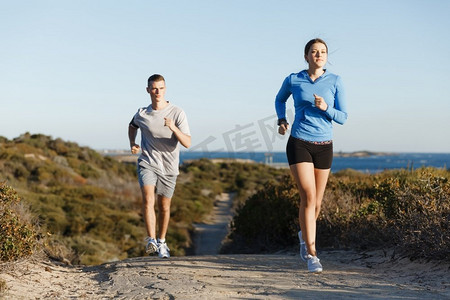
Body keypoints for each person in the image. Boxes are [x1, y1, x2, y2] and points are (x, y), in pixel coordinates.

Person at [275, 38, 348, 272]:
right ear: (306, 56)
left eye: (323, 52)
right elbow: (279, 99)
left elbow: (343, 117)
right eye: (314, 52)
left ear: (326, 56)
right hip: (300, 142)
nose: (319, 55)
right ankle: (312, 253)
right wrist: (282, 120)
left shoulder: (335, 81)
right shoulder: (294, 79)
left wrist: (326, 108)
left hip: (325, 145)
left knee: (316, 203)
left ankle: (303, 234)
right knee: (308, 195)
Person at [128, 74, 191, 258]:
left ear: (165, 89)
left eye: (161, 88)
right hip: (147, 161)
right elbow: (132, 125)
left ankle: (162, 242)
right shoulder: (141, 113)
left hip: (169, 166)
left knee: (164, 206)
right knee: (148, 199)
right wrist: (132, 142)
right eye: (154, 88)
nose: (158, 92)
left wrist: (173, 128)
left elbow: (187, 142)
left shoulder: (177, 112)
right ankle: (151, 240)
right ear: (148, 90)